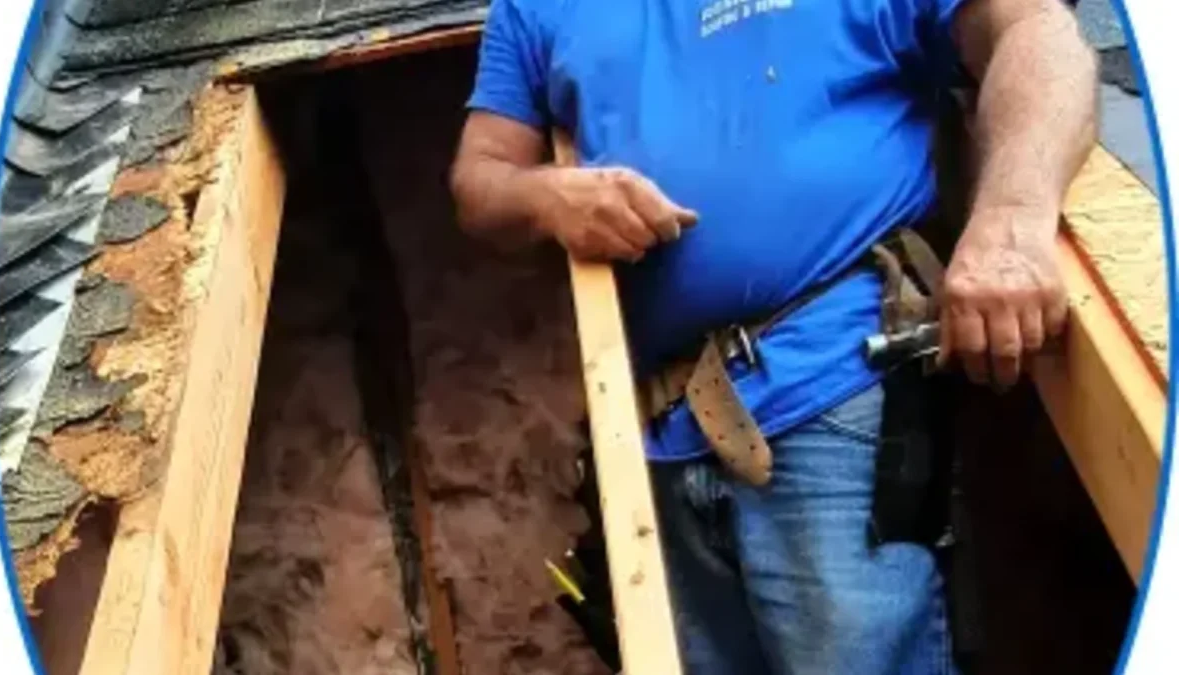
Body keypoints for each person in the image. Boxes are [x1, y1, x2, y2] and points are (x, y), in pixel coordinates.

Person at [449, 0, 1096, 673]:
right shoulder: (529, 9)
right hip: (660, 432)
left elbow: (1034, 31)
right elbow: (480, 177)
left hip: (837, 384)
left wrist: (1011, 223)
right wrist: (549, 196)